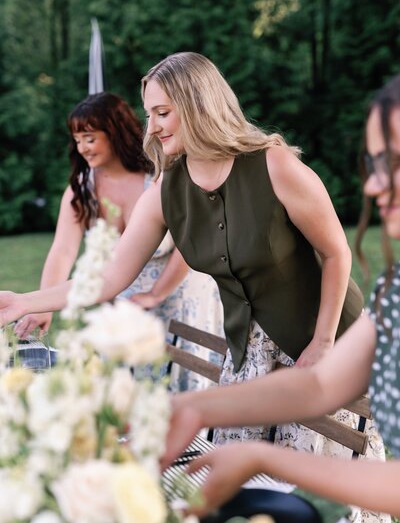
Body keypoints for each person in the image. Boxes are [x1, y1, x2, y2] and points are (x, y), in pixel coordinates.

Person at [0, 53, 363, 445]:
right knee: (236, 484)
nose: (151, 128)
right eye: (149, 114)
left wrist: (323, 343)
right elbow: (109, 278)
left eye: (162, 113)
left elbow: (336, 252)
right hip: (247, 354)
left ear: (197, 105)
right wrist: (26, 301)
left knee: (321, 488)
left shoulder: (275, 166)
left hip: (324, 343)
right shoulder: (164, 191)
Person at [157, 72, 400, 521]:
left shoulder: (272, 167)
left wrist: (266, 459)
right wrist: (187, 407)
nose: (372, 185)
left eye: (394, 162)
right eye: (375, 163)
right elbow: (319, 386)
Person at [13, 91, 223, 391]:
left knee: (186, 393)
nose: (82, 148)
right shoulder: (81, 190)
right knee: (130, 397)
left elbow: (189, 247)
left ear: (114, 132)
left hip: (182, 296)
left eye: (90, 137)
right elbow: (62, 251)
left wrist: (155, 294)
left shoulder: (160, 177)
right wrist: (43, 305)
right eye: (77, 139)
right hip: (126, 306)